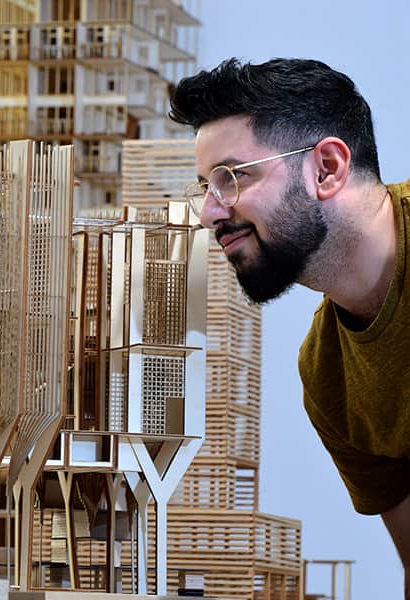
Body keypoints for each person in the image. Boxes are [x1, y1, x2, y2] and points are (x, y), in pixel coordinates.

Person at [169, 57, 410, 597]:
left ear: (327, 168)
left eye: (232, 177)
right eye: (205, 187)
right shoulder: (327, 376)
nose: (210, 212)